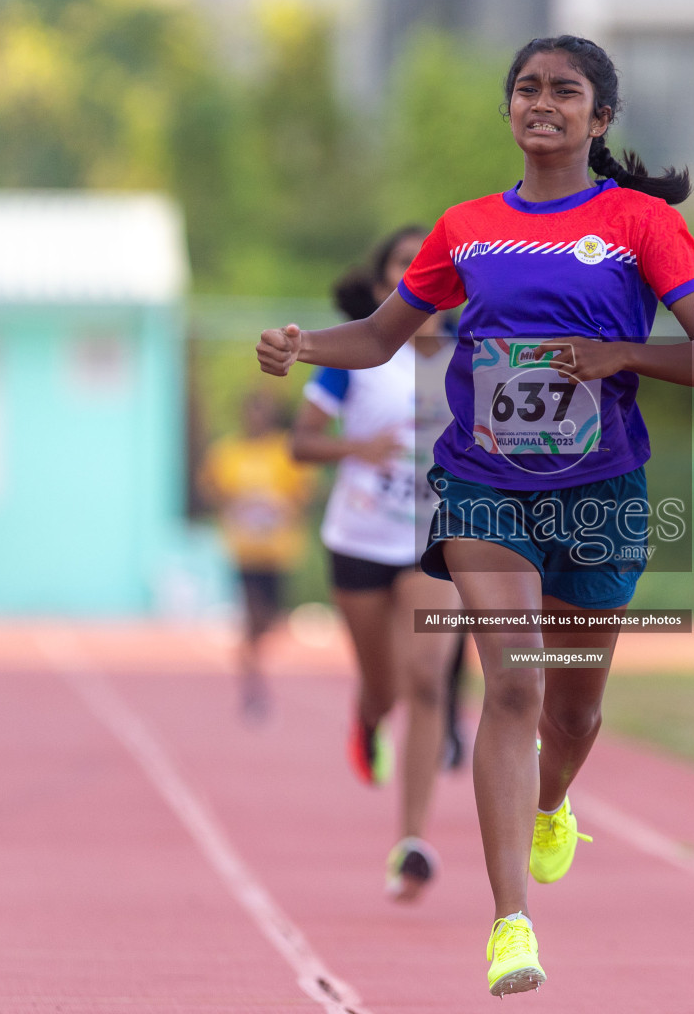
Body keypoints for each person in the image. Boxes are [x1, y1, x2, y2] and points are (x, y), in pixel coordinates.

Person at [258, 35, 694, 996]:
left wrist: (618, 358)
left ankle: (553, 802)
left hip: (601, 487)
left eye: (565, 92)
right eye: (527, 89)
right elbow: (384, 335)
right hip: (485, 480)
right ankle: (510, 923)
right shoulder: (467, 227)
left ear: (598, 119)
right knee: (512, 686)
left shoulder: (640, 224)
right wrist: (306, 342)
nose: (542, 103)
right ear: (510, 109)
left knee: (576, 710)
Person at [288, 226, 469, 902]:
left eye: (429, 266)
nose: (414, 274)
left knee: (428, 680)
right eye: (402, 264)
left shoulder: (475, 358)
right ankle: (367, 719)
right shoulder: (355, 357)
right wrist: (354, 448)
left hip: (436, 541)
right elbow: (300, 444)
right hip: (361, 540)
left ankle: (412, 842)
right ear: (379, 284)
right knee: (385, 687)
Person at [198, 390, 316, 721]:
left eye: (262, 412)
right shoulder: (226, 453)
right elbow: (210, 490)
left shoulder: (285, 451)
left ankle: (253, 657)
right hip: (244, 551)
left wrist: (279, 508)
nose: (256, 419)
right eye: (252, 412)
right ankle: (253, 687)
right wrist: (234, 504)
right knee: (251, 617)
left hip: (279, 551)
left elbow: (304, 494)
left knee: (270, 621)